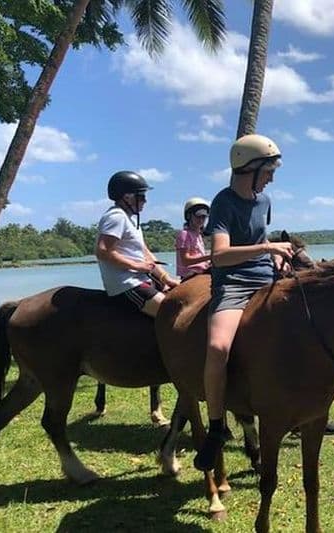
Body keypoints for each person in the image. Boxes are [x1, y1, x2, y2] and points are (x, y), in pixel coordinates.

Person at [194, 134, 294, 472]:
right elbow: (219, 256)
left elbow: (259, 237)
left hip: (267, 277)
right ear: (249, 168)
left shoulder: (263, 200)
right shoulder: (222, 203)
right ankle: (217, 426)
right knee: (218, 348)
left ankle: (302, 408)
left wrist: (276, 259)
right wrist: (268, 250)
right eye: (268, 170)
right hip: (233, 284)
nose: (272, 177)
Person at [96, 170, 179, 317]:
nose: (145, 201)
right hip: (126, 283)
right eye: (141, 196)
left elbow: (144, 252)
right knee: (170, 313)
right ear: (127, 197)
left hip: (141, 277)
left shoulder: (131, 219)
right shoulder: (116, 217)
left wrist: (165, 277)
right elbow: (103, 251)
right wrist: (137, 266)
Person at [176, 197, 212, 280]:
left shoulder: (199, 235)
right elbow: (185, 260)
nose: (201, 219)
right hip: (191, 273)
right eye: (198, 216)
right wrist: (210, 257)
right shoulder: (184, 234)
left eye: (204, 217)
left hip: (203, 269)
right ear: (189, 216)